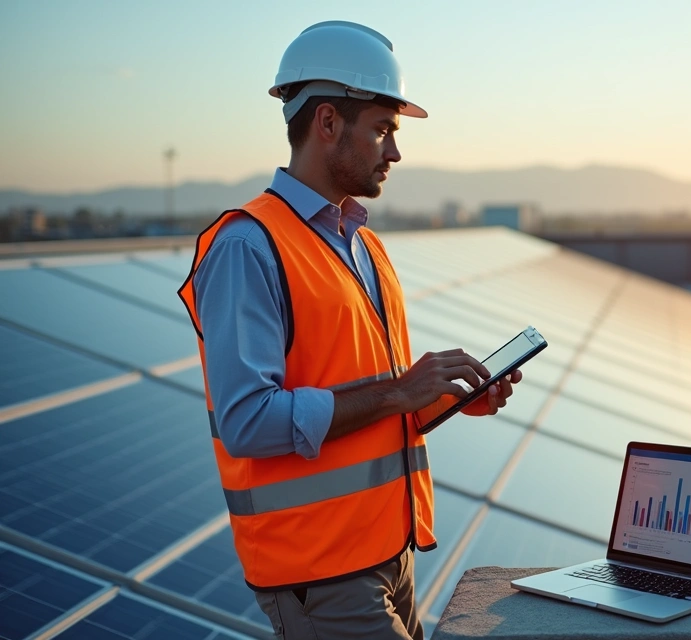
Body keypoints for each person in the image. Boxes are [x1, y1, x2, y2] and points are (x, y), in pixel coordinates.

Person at [178, 21, 523, 639]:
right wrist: (397, 393)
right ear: (328, 122)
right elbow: (247, 421)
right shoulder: (247, 247)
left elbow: (376, 399)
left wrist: (450, 397)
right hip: (320, 576)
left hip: (390, 556)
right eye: (383, 131)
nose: (394, 152)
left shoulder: (364, 246)